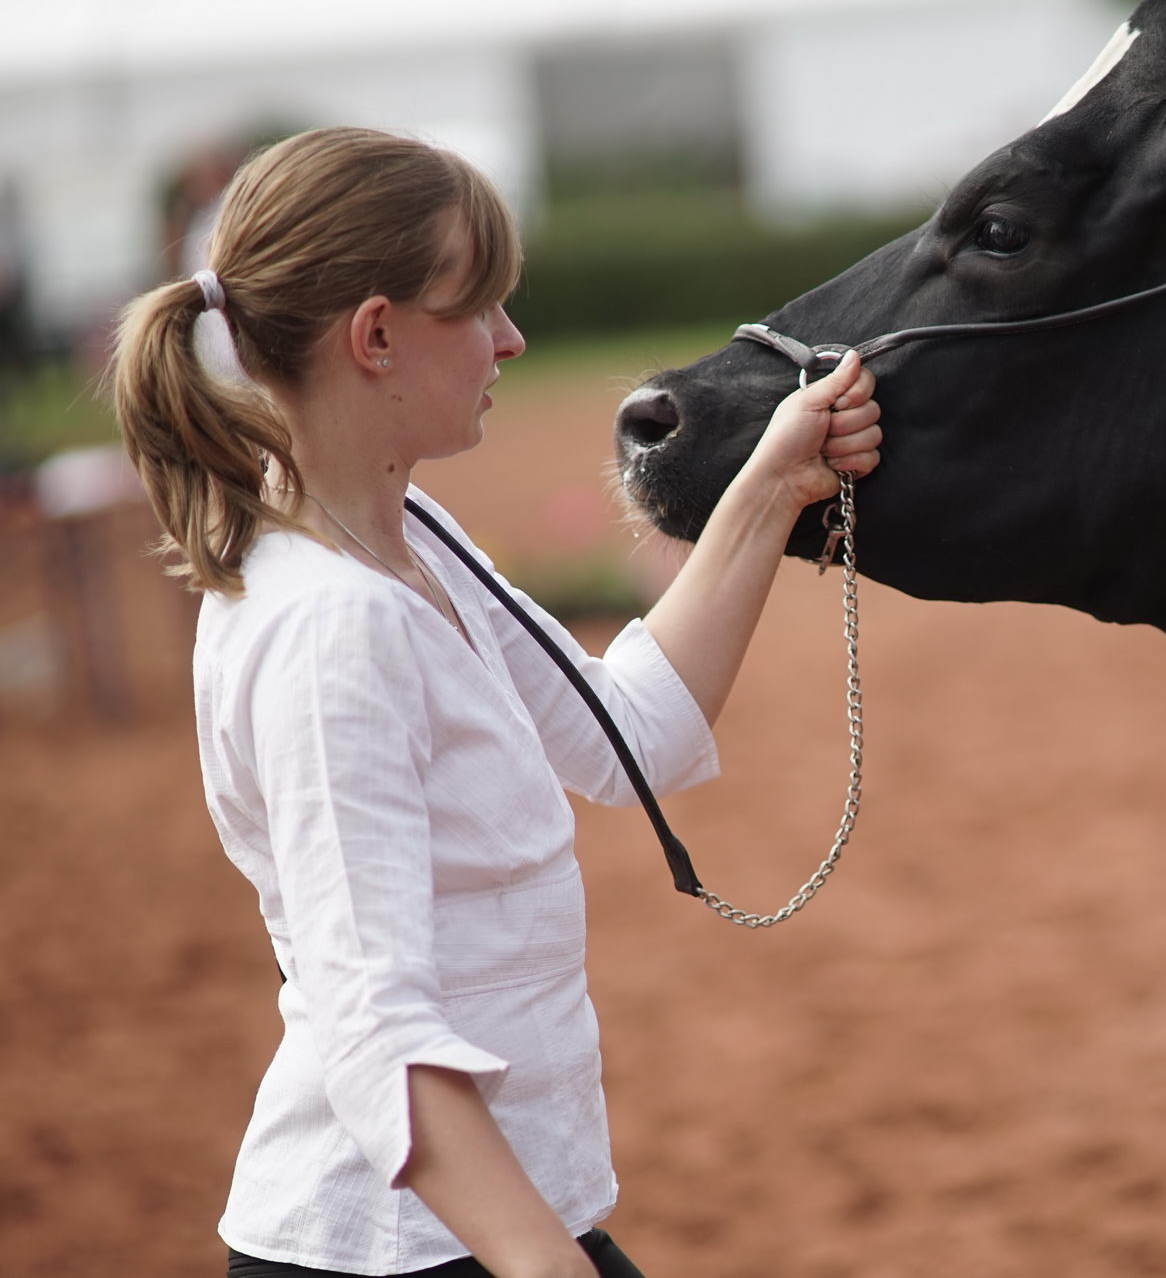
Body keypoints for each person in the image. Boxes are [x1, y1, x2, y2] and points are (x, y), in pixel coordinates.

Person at [106, 126, 882, 1278]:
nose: (509, 340)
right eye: (478, 308)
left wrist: (772, 482)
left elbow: (634, 739)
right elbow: (375, 1027)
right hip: (398, 1252)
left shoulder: (409, 533)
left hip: (484, 1232)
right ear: (375, 336)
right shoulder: (332, 622)